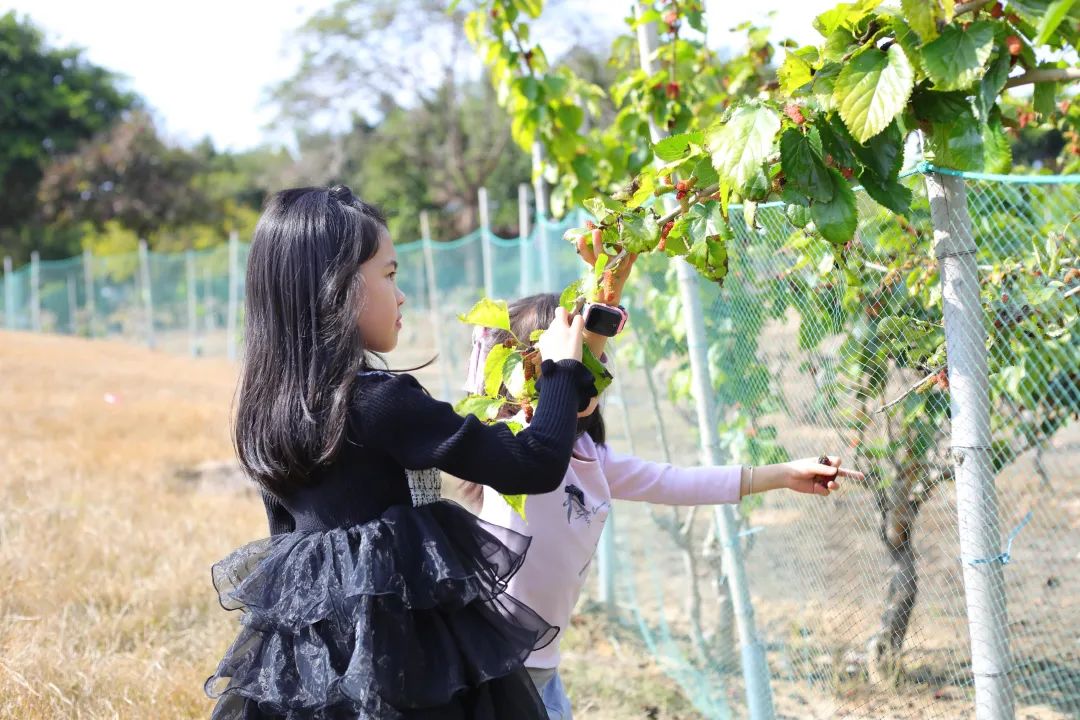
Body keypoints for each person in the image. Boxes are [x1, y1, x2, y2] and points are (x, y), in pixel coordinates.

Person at [204, 185, 599, 719]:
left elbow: (284, 535)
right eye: (389, 275)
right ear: (336, 288)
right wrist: (559, 372)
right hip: (403, 647)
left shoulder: (265, 409)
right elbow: (535, 464)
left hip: (320, 653)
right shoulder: (381, 401)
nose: (402, 294)